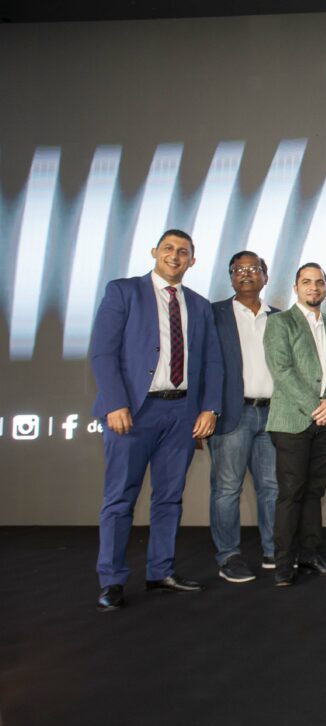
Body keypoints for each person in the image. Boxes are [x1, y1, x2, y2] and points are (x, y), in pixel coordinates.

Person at [91, 229, 223, 612]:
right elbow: (102, 352)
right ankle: (112, 581)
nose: (174, 256)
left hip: (182, 413)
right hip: (133, 412)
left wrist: (209, 408)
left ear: (192, 261)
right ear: (154, 252)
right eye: (168, 248)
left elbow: (213, 361)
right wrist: (115, 403)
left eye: (183, 251)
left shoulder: (199, 305)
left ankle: (161, 572)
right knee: (120, 498)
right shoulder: (124, 292)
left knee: (169, 498)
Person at [264, 263, 326, 586]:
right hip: (292, 421)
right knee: (291, 494)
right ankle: (284, 564)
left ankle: (310, 555)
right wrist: (315, 407)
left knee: (314, 493)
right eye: (307, 282)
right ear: (295, 287)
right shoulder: (280, 322)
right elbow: (281, 370)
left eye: (319, 282)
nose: (314, 287)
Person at [208, 251, 281, 583]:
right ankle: (229, 555)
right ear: (231, 276)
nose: (247, 273)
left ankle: (273, 551)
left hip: (272, 414)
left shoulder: (279, 318)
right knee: (227, 488)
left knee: (272, 487)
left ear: (265, 276)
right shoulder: (214, 315)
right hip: (232, 414)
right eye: (239, 269)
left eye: (254, 268)